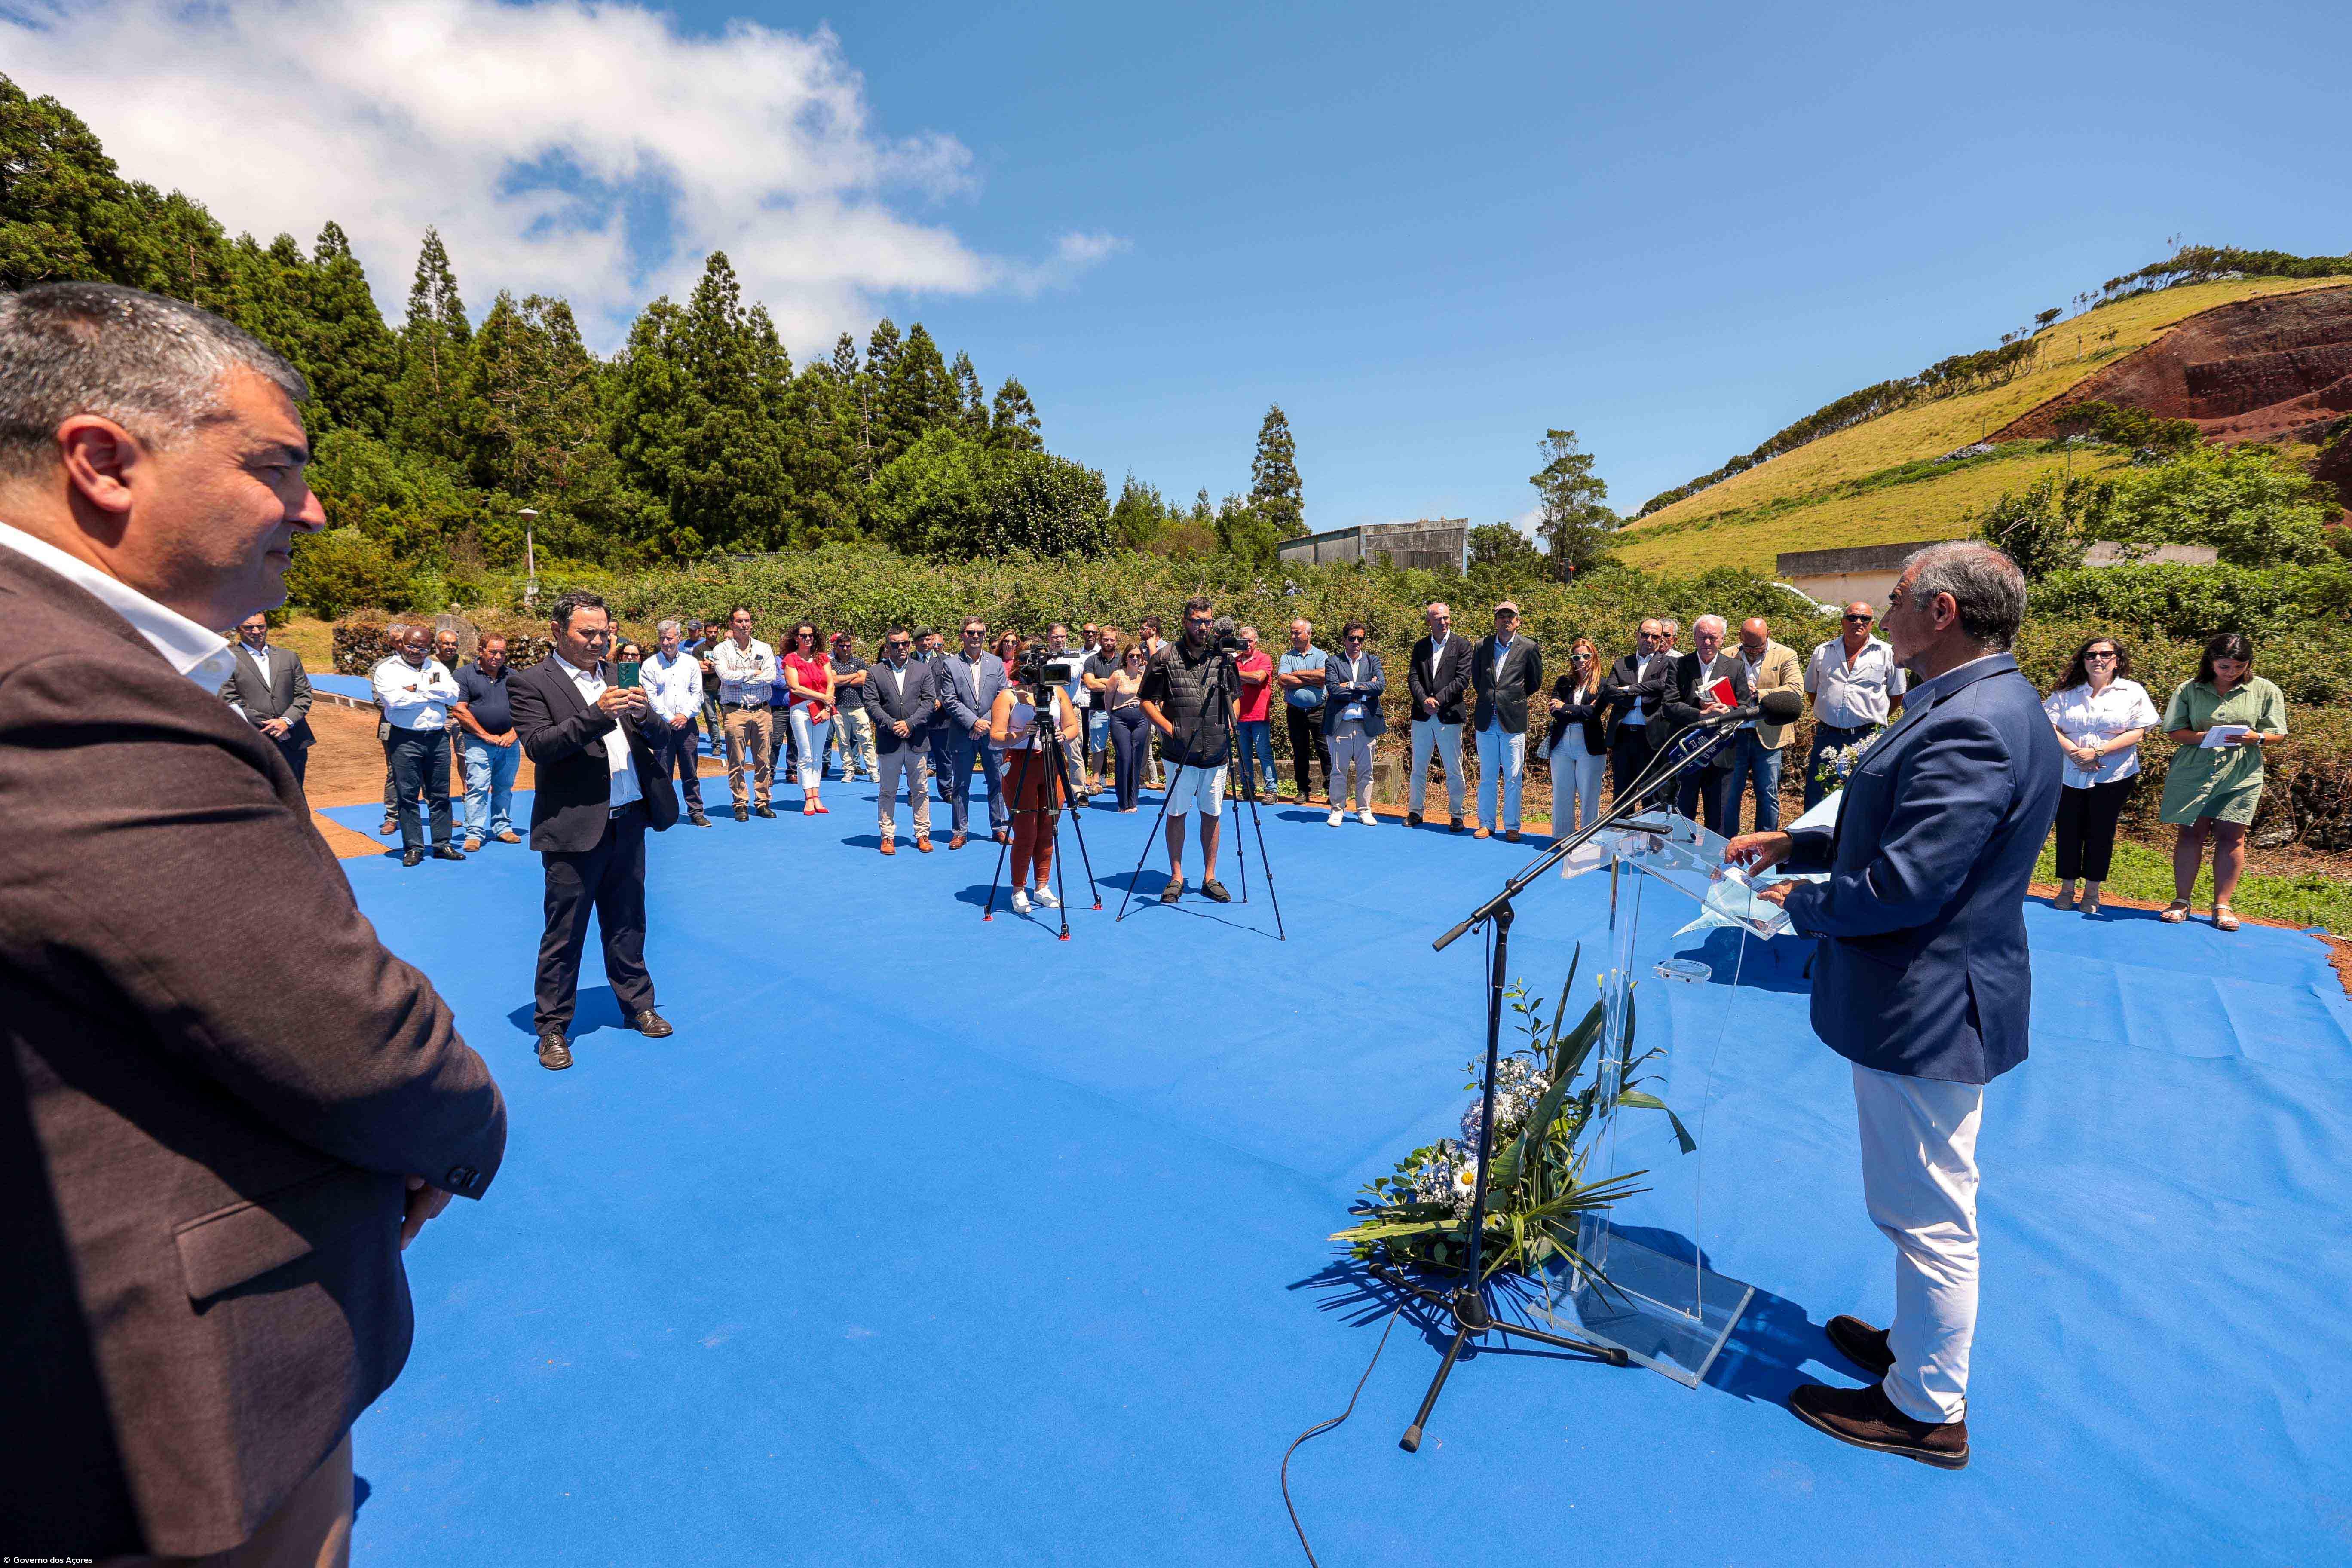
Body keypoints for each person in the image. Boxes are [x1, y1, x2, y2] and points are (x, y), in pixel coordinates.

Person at [0, 279, 506, 1563]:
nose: (314, 507)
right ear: (104, 461)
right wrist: (456, 1127)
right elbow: (343, 1034)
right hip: (153, 1419)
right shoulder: (64, 679)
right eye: (277, 466)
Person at [1727, 541, 2059, 1471]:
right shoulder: (1974, 697)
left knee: (1928, 1213)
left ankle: (1926, 1407)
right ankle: (1919, 1348)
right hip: (1927, 987)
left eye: (1900, 595)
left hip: (1927, 997)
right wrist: (1794, 844)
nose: (1886, 605)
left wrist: (1807, 901)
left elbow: (1908, 881)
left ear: (1943, 610)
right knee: (1919, 1200)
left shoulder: (1976, 719)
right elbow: (1897, 818)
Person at [508, 590, 680, 1069]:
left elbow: (664, 737)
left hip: (629, 822)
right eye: (588, 633)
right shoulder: (530, 683)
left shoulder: (619, 675)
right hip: (573, 828)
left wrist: (646, 716)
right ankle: (553, 1028)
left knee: (628, 921)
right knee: (565, 933)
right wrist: (597, 716)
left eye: (605, 633)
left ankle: (638, 1004)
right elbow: (540, 746)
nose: (598, 641)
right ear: (557, 631)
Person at [2156, 634, 2288, 932]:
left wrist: (2258, 737)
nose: (2232, 672)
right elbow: (2174, 730)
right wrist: (2203, 737)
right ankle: (2181, 902)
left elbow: (2278, 732)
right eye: (2225, 666)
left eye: (2239, 666)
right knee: (2190, 835)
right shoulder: (2189, 689)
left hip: (2242, 773)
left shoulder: (2265, 690)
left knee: (2233, 837)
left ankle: (2222, 905)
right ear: (2211, 662)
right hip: (2195, 770)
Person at [2039, 636, 2158, 916]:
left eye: (2105, 654)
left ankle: (2092, 892)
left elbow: (2139, 731)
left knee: (2100, 833)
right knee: (2068, 830)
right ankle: (2067, 888)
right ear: (2083, 661)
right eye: (2091, 655)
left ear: (2117, 660)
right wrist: (2074, 752)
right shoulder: (2066, 693)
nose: (2098, 660)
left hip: (2114, 774)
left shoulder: (2132, 692)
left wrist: (2099, 752)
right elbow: (2049, 725)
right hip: (2069, 772)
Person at [1139, 596, 1241, 900]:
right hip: (1178, 753)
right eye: (1197, 621)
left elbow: (1236, 695)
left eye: (1208, 621)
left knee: (1212, 814)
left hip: (1216, 751)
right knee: (1177, 813)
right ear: (1185, 622)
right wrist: (1170, 730)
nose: (1203, 627)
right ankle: (1176, 876)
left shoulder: (1222, 657)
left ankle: (1210, 878)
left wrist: (1231, 722)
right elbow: (1146, 700)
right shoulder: (1165, 656)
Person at [991, 645, 1084, 913]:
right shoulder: (1008, 696)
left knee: (1048, 828)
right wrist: (1022, 734)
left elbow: (1072, 726)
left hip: (1052, 761)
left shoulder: (1057, 692)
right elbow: (996, 737)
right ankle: (1018, 888)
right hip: (1020, 764)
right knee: (1026, 831)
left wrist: (1062, 736)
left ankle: (1042, 886)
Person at [1648, 612, 1751, 833]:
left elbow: (1745, 707)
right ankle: (1679, 865)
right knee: (1682, 817)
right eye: (1702, 637)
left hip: (1721, 755)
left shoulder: (1735, 667)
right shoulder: (1678, 665)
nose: (1707, 643)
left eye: (1712, 638)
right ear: (1694, 638)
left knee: (1720, 820)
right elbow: (1669, 705)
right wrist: (1700, 715)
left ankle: (1718, 866)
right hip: (1688, 752)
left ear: (1722, 639)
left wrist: (1727, 712)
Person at [372, 623, 466, 866]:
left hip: (437, 738)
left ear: (430, 648)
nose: (416, 652)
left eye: (422, 648)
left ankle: (442, 844)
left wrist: (416, 690)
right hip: (405, 739)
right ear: (402, 643)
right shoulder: (387, 670)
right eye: (412, 646)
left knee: (440, 795)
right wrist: (433, 692)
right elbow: (394, 700)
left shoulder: (437, 667)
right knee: (408, 795)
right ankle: (413, 847)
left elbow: (453, 696)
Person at [1804, 601, 1909, 809]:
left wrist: (1871, 718)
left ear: (1872, 624)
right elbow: (1813, 691)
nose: (1858, 622)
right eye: (1852, 618)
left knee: (1864, 799)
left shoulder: (1887, 653)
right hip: (1828, 736)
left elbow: (1897, 695)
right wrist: (1831, 714)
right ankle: (1814, 841)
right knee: (1819, 797)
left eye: (1865, 619)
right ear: (1843, 622)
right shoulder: (1823, 652)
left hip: (1868, 738)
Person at [1471, 600, 1543, 842]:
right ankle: (1487, 824)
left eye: (1510, 616)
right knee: (1487, 776)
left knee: (1514, 777)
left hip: (1513, 721)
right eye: (1502, 616)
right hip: (1486, 721)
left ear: (1518, 621)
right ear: (1496, 620)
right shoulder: (1482, 646)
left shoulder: (1529, 648)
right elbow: (1476, 680)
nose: (1506, 620)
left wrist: (1510, 700)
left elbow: (1534, 683)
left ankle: (1512, 826)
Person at [937, 616, 1011, 848]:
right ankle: (960, 831)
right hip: (962, 733)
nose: (975, 636)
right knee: (960, 785)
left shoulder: (996, 663)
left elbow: (1003, 696)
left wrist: (985, 723)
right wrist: (973, 723)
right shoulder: (951, 665)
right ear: (962, 636)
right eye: (970, 632)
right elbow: (949, 699)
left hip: (992, 734)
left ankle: (1000, 827)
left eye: (980, 632)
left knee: (997, 782)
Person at [218, 609, 315, 785]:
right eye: (249, 627)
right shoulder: (226, 659)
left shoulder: (289, 657)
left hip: (293, 739)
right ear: (239, 629)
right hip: (254, 741)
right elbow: (228, 699)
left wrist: (286, 721)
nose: (256, 631)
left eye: (261, 626)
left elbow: (304, 695)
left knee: (296, 796)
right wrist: (270, 726)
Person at [862, 627, 937, 854]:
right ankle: (887, 835)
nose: (901, 648)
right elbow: (871, 704)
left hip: (917, 740)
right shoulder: (875, 672)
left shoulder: (923, 670)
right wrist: (894, 724)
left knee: (920, 789)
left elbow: (929, 701)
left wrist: (910, 724)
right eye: (896, 644)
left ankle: (923, 833)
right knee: (888, 790)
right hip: (889, 740)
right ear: (887, 647)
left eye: (905, 644)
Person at [1727, 616, 1804, 833]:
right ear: (1740, 637)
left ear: (1768, 636)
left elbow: (1795, 689)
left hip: (1770, 735)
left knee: (1768, 793)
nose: (1752, 651)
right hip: (1735, 735)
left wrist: (1759, 694)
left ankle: (1765, 846)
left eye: (1758, 646)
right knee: (1730, 794)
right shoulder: (1727, 654)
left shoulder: (1786, 655)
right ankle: (1726, 845)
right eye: (1748, 646)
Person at [452, 634, 524, 850]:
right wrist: (486, 736)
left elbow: (525, 709)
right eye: (493, 652)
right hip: (478, 742)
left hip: (509, 743)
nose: (498, 657)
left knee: (505, 786)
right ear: (481, 650)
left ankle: (502, 827)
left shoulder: (513, 676)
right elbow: (459, 710)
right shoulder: (463, 675)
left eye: (502, 653)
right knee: (477, 787)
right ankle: (474, 833)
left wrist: (513, 734)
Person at [1406, 600, 1473, 830]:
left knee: (1454, 768)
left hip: (1450, 716)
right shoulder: (1421, 647)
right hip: (1422, 715)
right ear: (1429, 622)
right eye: (1438, 619)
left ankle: (1457, 815)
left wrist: (1438, 700)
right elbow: (1413, 678)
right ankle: (1415, 811)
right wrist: (1424, 700)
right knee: (1418, 767)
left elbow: (1463, 680)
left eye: (1446, 618)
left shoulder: (1462, 646)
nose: (1443, 622)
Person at [710, 606, 778, 821]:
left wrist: (742, 679)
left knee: (763, 760)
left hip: (762, 711)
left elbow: (770, 676)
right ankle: (740, 803)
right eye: (739, 621)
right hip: (735, 711)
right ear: (731, 624)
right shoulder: (722, 650)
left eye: (747, 620)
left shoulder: (764, 648)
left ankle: (763, 802)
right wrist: (750, 674)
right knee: (736, 760)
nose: (744, 625)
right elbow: (726, 677)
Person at [642, 618, 711, 828]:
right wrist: (668, 718)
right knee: (663, 772)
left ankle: (696, 811)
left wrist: (684, 715)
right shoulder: (650, 664)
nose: (666, 642)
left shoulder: (691, 663)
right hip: (662, 726)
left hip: (687, 725)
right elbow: (651, 697)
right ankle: (662, 813)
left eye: (670, 638)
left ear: (679, 638)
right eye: (662, 638)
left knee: (690, 771)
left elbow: (697, 693)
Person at [1320, 621, 1386, 829]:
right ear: (1344, 640)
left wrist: (1350, 686)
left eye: (1360, 639)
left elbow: (1380, 687)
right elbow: (1334, 690)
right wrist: (1365, 692)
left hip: (1367, 725)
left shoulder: (1373, 660)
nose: (1356, 642)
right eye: (1352, 638)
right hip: (1342, 725)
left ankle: (1364, 810)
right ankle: (1338, 809)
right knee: (1338, 770)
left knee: (1367, 771)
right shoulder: (1333, 662)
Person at [1600, 619, 1672, 799]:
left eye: (1655, 636)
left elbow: (1663, 687)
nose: (1649, 639)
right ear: (1637, 635)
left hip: (1652, 738)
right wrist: (1639, 699)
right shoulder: (1622, 663)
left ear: (1661, 639)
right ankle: (1622, 828)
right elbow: (1609, 692)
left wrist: (1631, 690)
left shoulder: (1669, 663)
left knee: (1652, 795)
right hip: (1623, 736)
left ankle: (1650, 828)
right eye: (1645, 635)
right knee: (1622, 795)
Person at [1544, 636, 1608, 833]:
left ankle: (1587, 839)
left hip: (1589, 744)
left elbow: (1594, 713)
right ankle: (1562, 837)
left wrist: (1566, 708)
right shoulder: (1564, 682)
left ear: (1594, 657)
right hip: (1562, 744)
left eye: (1586, 656)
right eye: (1576, 657)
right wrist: (1576, 710)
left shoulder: (1603, 684)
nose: (1581, 661)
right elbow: (1554, 709)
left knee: (1589, 795)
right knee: (1562, 793)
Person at [782, 620, 835, 815]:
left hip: (824, 709)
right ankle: (808, 797)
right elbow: (795, 687)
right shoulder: (791, 659)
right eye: (803, 635)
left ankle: (817, 795)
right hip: (801, 709)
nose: (808, 638)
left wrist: (828, 705)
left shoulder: (823, 658)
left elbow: (831, 682)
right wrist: (823, 697)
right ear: (796, 638)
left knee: (817, 755)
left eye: (811, 635)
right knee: (805, 754)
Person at [1278, 617, 1331, 802]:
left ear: (1308, 634)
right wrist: (1312, 680)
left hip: (1319, 711)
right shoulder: (1287, 657)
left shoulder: (1320, 655)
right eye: (1292, 632)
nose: (1293, 636)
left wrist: (1298, 674)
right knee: (1300, 752)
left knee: (1325, 751)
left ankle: (1331, 790)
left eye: (1297, 633)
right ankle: (1303, 790)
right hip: (1295, 712)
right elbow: (1283, 680)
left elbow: (1324, 676)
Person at [1232, 622, 1280, 801]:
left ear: (1256, 642)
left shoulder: (1264, 659)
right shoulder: (1234, 662)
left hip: (1259, 715)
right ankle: (1247, 788)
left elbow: (1259, 678)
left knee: (1264, 753)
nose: (1247, 645)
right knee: (1244, 756)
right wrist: (1246, 678)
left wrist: (1236, 675)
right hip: (1239, 716)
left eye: (1250, 641)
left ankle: (1271, 790)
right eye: (1243, 642)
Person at [1106, 639, 1151, 811]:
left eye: (1138, 656)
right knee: (1125, 757)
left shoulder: (1144, 676)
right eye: (1131, 656)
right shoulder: (1117, 675)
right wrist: (1114, 717)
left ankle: (1133, 802)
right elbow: (1108, 700)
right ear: (1125, 658)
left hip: (1141, 719)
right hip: (1120, 719)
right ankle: (1123, 802)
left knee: (1136, 757)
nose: (1135, 659)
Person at [829, 631, 878, 784]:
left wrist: (842, 679)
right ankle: (849, 770)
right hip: (839, 707)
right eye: (842, 646)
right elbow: (833, 681)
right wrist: (852, 676)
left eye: (848, 646)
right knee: (843, 742)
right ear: (836, 647)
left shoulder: (859, 662)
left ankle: (873, 771)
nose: (845, 649)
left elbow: (863, 680)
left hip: (859, 706)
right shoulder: (831, 664)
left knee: (866, 739)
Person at [1082, 622, 1122, 792]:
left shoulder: (1122, 659)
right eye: (1106, 639)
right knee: (1097, 747)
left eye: (1112, 640)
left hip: (1120, 710)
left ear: (1116, 641)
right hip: (1098, 709)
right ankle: (1096, 782)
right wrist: (1113, 684)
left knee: (1122, 746)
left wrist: (1103, 682)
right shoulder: (1091, 660)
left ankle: (1123, 781)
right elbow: (1090, 684)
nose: (1109, 643)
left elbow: (1127, 683)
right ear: (1101, 640)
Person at [1138, 613, 1169, 788]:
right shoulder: (1138, 650)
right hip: (1145, 701)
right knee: (1143, 740)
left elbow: (1158, 670)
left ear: (1153, 630)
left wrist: (1151, 650)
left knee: (1166, 739)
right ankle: (1141, 778)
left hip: (1162, 702)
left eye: (1143, 629)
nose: (1140, 632)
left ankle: (1172, 778)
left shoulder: (1168, 648)